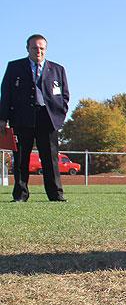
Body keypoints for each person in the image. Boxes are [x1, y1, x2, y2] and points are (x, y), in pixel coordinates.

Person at [0, 34, 69, 202]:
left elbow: (64, 96)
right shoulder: (14, 67)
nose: (38, 51)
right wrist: (3, 118)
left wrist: (59, 115)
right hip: (22, 119)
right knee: (21, 158)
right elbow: (5, 94)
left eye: (41, 48)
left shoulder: (57, 69)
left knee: (51, 159)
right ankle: (20, 195)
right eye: (34, 48)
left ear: (45, 49)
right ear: (27, 49)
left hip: (47, 119)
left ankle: (56, 195)